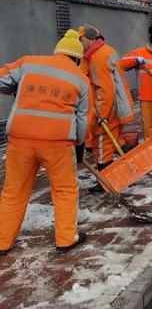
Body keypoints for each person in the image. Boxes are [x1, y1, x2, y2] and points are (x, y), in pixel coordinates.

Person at [0, 30, 92, 255]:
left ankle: (2, 241)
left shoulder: (28, 63)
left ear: (57, 51)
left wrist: (15, 88)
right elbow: (82, 120)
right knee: (65, 191)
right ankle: (65, 239)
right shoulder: (81, 79)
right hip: (58, 145)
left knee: (13, 192)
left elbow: (2, 80)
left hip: (20, 141)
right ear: (78, 58)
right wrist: (78, 144)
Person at [78, 24, 134, 192]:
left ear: (88, 39)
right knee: (109, 143)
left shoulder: (98, 57)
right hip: (117, 105)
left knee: (102, 146)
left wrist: (101, 114)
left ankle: (106, 182)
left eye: (80, 40)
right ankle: (118, 174)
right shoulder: (106, 51)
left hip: (107, 110)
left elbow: (104, 88)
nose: (79, 44)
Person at [121, 25, 152, 155]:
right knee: (149, 125)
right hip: (147, 95)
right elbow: (122, 63)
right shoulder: (139, 53)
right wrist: (135, 60)